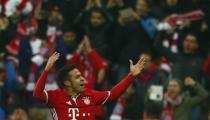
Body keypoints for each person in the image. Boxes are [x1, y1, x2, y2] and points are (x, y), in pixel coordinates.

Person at [33, 52, 148, 120]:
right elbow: (37, 93)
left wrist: (131, 76)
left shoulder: (90, 95)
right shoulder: (55, 97)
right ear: (67, 83)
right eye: (77, 77)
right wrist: (47, 70)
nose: (83, 79)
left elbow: (113, 94)